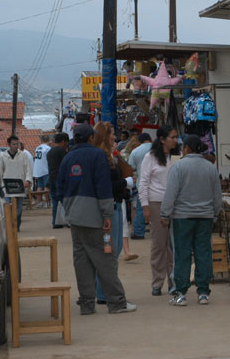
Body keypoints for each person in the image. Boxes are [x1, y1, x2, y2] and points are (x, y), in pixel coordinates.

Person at [55, 123, 136, 315]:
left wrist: (69, 209)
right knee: (106, 259)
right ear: (91, 138)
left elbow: (58, 188)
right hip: (97, 218)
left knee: (81, 261)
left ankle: (86, 304)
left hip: (75, 218)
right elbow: (103, 186)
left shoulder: (68, 157)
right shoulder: (98, 155)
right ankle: (116, 302)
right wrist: (107, 214)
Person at [162, 135, 222, 306]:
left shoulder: (178, 167)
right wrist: (215, 214)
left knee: (182, 254)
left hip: (182, 218)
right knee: (204, 254)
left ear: (187, 148)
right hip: (205, 217)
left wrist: (165, 214)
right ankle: (203, 293)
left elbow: (171, 194)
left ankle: (180, 293)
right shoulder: (210, 168)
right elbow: (217, 196)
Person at [92, 122, 134, 304]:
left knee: (111, 252)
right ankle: (104, 293)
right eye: (112, 134)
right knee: (109, 252)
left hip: (115, 205)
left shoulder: (109, 155)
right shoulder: (102, 157)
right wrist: (126, 183)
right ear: (104, 136)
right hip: (110, 209)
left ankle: (102, 291)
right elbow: (106, 185)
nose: (115, 137)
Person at [139, 126, 178, 296]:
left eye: (176, 137)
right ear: (162, 139)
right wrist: (145, 206)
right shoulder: (151, 157)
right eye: (172, 137)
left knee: (174, 246)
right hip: (156, 204)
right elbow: (143, 182)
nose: (175, 141)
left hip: (176, 205)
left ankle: (174, 281)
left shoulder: (176, 157)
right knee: (158, 245)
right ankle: (157, 282)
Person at [0, 135, 33, 229]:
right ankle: (10, 227)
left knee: (19, 209)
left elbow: (28, 169)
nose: (16, 146)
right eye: (13, 144)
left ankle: (16, 226)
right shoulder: (2, 156)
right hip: (7, 186)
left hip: (20, 185)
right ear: (8, 144)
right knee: (8, 208)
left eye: (17, 144)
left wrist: (28, 180)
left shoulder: (23, 155)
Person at [127, 133, 152, 239]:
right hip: (158, 184)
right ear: (150, 139)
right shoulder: (158, 149)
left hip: (141, 183)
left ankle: (138, 232)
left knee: (140, 208)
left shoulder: (135, 151)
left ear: (139, 141)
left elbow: (130, 168)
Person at [47, 132, 69, 228]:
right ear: (64, 141)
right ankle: (68, 221)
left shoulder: (50, 152)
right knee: (65, 201)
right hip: (60, 179)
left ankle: (55, 222)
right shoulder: (62, 151)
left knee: (55, 201)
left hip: (51, 178)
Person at [33, 135, 52, 208]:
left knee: (39, 186)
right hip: (45, 168)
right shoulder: (48, 148)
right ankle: (47, 202)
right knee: (47, 186)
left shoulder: (37, 148)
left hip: (38, 169)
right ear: (48, 140)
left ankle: (39, 202)